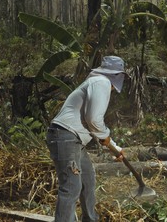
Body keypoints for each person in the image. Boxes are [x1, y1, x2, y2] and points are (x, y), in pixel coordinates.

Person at [46, 55, 128, 222]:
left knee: (87, 180)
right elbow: (94, 119)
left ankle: (90, 219)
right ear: (117, 75)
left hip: (74, 139)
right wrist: (106, 137)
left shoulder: (96, 82)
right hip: (65, 135)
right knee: (71, 187)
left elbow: (92, 124)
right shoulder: (101, 82)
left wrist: (115, 147)